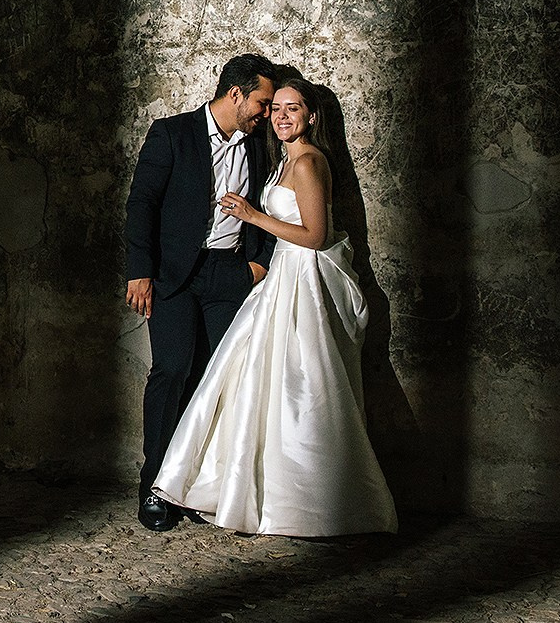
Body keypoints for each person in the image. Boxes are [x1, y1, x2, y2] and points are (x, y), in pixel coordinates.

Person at [152, 77, 398, 537]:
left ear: (312, 116)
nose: (281, 116)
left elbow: (315, 236)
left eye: (292, 108)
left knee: (301, 384)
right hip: (279, 277)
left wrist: (252, 216)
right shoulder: (282, 159)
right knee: (255, 382)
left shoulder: (308, 162)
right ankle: (250, 489)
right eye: (276, 108)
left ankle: (312, 501)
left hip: (301, 279)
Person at [123, 53, 280, 532]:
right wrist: (139, 272)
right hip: (173, 276)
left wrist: (255, 265)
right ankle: (157, 486)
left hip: (228, 276)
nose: (267, 114)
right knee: (172, 371)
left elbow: (266, 200)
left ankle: (197, 486)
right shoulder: (171, 134)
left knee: (216, 379)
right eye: (262, 102)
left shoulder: (257, 146)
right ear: (235, 94)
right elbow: (142, 204)